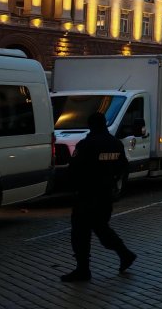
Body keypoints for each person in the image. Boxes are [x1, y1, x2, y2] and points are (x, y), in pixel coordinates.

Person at [61, 113, 137, 282]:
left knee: (80, 233)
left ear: (91, 125)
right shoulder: (115, 144)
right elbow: (123, 167)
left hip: (87, 196)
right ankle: (125, 254)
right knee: (101, 228)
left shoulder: (87, 144)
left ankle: (83, 270)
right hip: (105, 195)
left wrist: (72, 187)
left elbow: (74, 169)